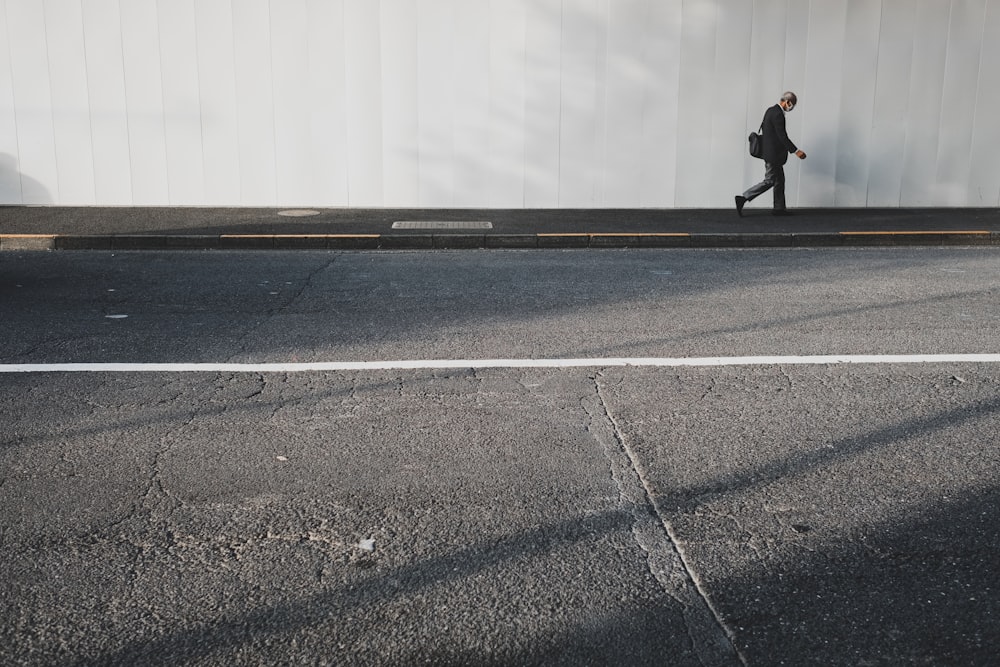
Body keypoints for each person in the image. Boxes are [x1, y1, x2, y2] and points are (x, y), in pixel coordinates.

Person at [736, 92, 806, 217]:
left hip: (771, 153)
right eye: (792, 104)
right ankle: (743, 197)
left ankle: (779, 208)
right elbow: (782, 136)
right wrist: (796, 151)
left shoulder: (770, 110)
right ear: (787, 102)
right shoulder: (778, 114)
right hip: (773, 155)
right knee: (769, 180)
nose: (792, 107)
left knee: (780, 180)